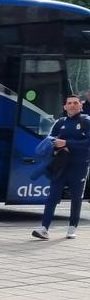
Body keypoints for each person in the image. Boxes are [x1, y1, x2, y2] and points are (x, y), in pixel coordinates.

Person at [33, 95, 90, 240]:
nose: (72, 105)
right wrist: (54, 144)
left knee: (76, 198)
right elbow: (50, 138)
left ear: (81, 106)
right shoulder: (60, 122)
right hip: (60, 165)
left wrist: (66, 143)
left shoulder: (86, 121)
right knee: (52, 196)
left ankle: (72, 228)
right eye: (69, 103)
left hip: (79, 166)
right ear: (65, 107)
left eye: (75, 103)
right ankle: (44, 228)